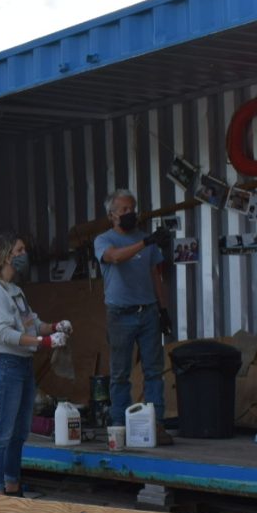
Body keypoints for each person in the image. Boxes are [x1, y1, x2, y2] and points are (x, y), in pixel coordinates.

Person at [0, 233, 72, 497]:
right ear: (6, 255)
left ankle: (12, 486)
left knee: (19, 432)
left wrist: (55, 327)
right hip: (6, 364)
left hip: (22, 365)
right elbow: (3, 333)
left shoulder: (15, 291)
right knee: (2, 433)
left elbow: (32, 324)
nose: (24, 255)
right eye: (19, 250)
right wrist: (44, 342)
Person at [93, 188, 174, 443]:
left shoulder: (144, 239)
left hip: (148, 311)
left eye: (132, 209)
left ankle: (156, 425)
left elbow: (155, 276)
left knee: (154, 371)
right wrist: (146, 242)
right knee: (120, 373)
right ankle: (120, 424)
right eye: (124, 210)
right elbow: (115, 258)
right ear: (111, 215)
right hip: (119, 314)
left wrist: (163, 310)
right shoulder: (104, 240)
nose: (130, 213)